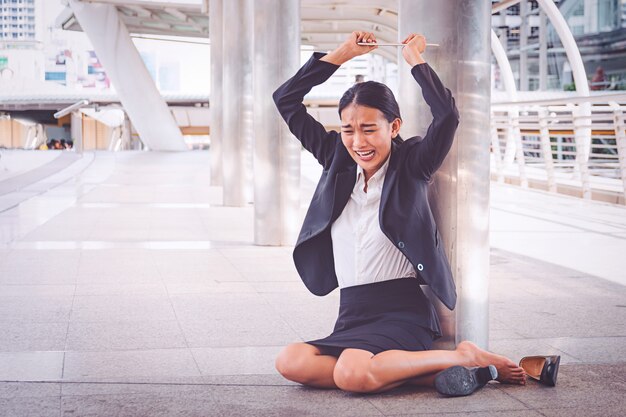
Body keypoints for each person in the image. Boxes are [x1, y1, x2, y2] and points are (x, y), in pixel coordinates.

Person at [272, 31, 527, 395]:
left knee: (351, 374)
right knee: (291, 361)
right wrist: (342, 54)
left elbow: (447, 116)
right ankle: (432, 373)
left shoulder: (412, 164)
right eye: (348, 130)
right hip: (352, 312)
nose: (358, 142)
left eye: (369, 129)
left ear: (394, 127)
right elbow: (285, 100)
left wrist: (415, 60)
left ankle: (463, 357)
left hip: (401, 312)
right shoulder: (335, 161)